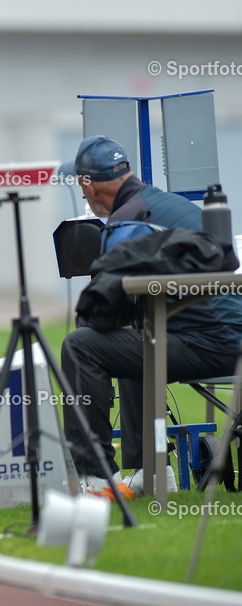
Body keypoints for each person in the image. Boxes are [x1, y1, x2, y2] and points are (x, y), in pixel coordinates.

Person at [58, 135, 242, 497]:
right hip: (228, 336)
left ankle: (94, 478)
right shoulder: (169, 204)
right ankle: (153, 470)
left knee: (81, 346)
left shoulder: (126, 223)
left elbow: (97, 319)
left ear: (89, 186)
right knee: (132, 339)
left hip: (211, 344)